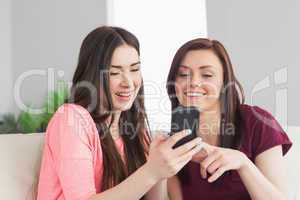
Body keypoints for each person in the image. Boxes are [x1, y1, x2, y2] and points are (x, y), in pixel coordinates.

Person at [37, 26, 203, 200]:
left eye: (134, 69)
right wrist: (152, 171)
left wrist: (160, 171)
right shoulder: (71, 119)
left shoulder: (134, 130)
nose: (129, 83)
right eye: (114, 72)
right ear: (92, 75)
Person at [166, 38, 292, 200]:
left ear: (224, 82)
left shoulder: (258, 122)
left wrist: (243, 164)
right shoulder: (174, 143)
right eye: (183, 74)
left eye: (207, 75)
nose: (194, 83)